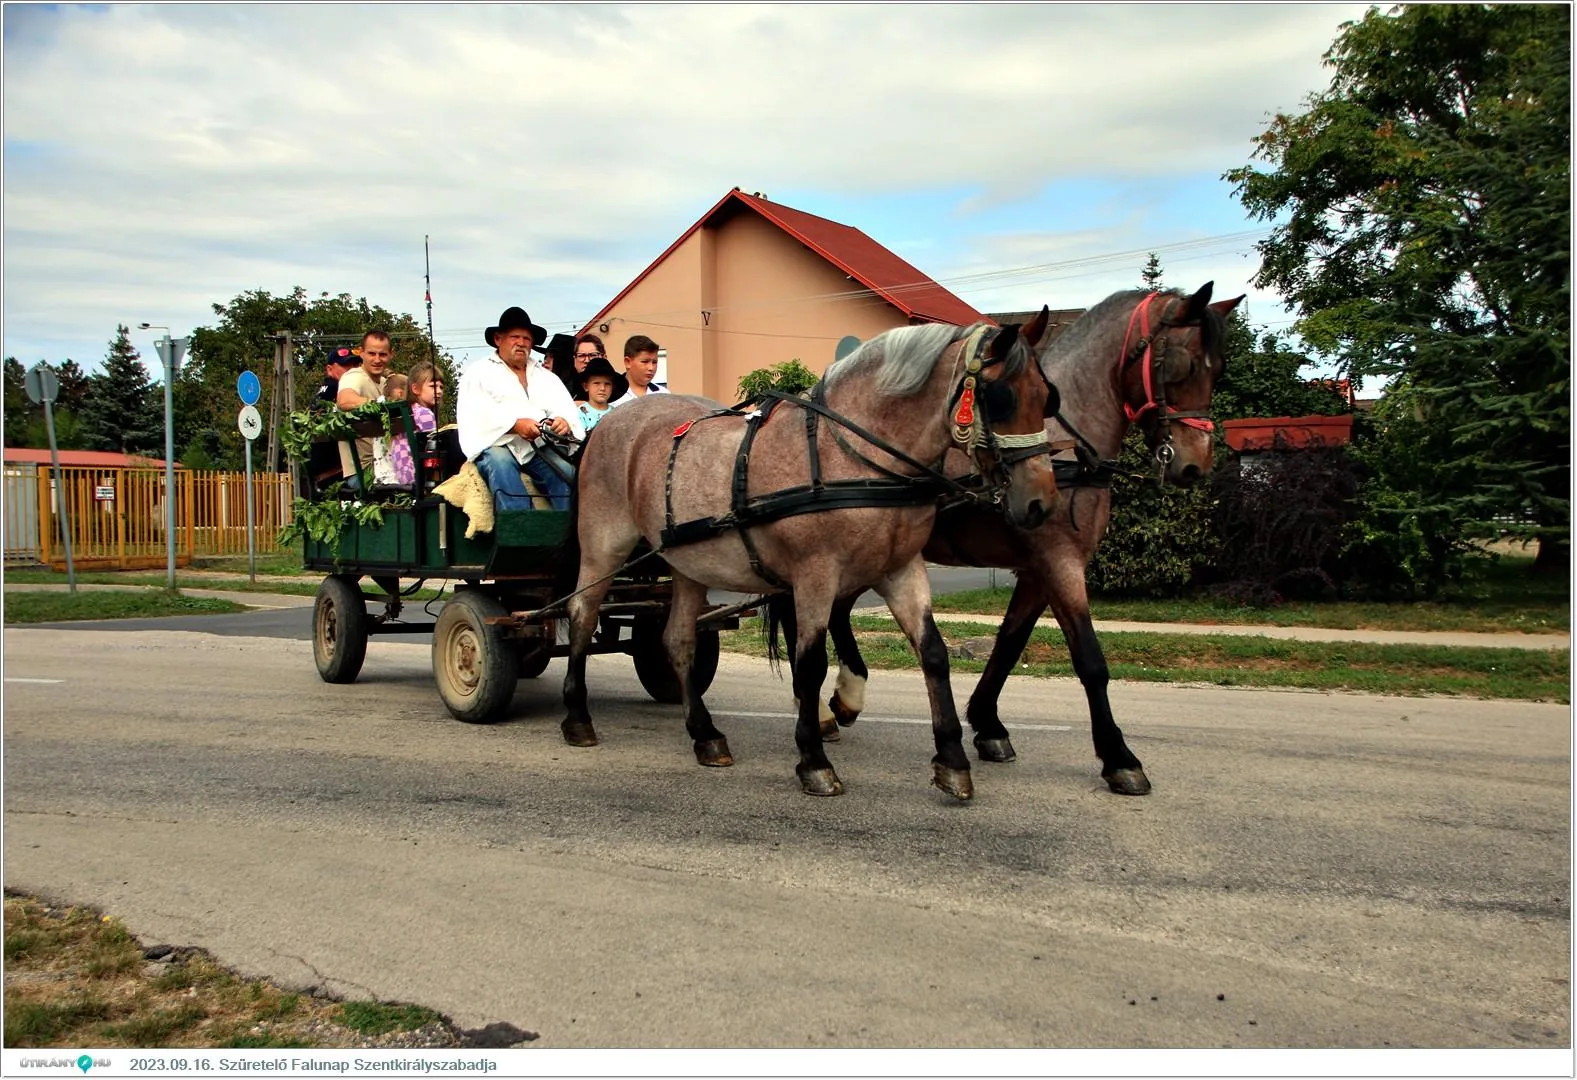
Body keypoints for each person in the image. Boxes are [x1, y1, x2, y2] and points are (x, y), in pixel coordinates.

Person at [457, 306, 585, 511]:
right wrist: (514, 425)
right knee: (500, 464)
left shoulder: (546, 377)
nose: (521, 343)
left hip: (538, 447)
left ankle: (570, 531)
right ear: (498, 339)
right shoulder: (478, 373)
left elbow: (566, 410)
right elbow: (473, 416)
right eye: (515, 336)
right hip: (496, 445)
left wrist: (563, 421)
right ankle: (519, 530)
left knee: (565, 472)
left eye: (526, 338)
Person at [336, 330, 394, 472]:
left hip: (385, 466)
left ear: (391, 354)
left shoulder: (385, 382)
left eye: (382, 354)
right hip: (364, 473)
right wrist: (380, 405)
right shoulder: (355, 376)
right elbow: (344, 400)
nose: (377, 359)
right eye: (371, 353)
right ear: (361, 353)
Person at [387, 362, 441, 487]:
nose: (439, 391)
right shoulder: (424, 413)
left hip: (402, 474)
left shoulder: (408, 412)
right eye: (433, 386)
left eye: (441, 387)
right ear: (415, 389)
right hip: (418, 477)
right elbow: (431, 450)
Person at [609, 334, 667, 407]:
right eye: (645, 362)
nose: (651, 368)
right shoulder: (610, 394)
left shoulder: (664, 394)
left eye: (654, 362)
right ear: (627, 362)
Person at [575, 355, 622, 434]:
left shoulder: (617, 414)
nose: (602, 388)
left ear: (613, 387)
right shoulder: (578, 413)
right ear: (586, 386)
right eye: (596, 383)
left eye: (607, 384)